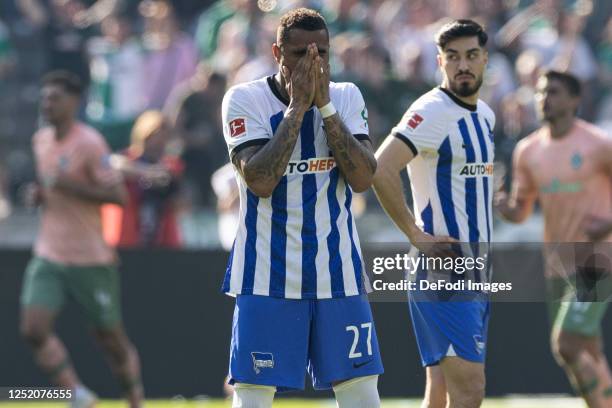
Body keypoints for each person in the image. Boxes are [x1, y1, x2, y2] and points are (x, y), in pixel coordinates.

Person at [221, 8, 382, 407]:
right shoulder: (244, 99)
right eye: (298, 54)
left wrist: (325, 109)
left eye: (322, 53)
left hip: (339, 273)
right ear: (277, 53)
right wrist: (296, 109)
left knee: (362, 394)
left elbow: (363, 179)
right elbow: (259, 180)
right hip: (267, 275)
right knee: (253, 397)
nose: (313, 63)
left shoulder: (346, 97)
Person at [373, 20, 495, 408]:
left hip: (477, 270)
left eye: (471, 55)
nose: (463, 65)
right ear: (440, 61)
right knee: (470, 390)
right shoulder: (430, 110)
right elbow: (381, 168)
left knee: (439, 393)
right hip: (444, 273)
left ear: (485, 59)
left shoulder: (487, 116)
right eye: (453, 57)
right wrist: (416, 235)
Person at [19, 71, 143, 408]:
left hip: (90, 257)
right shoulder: (41, 140)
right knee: (33, 328)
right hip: (49, 252)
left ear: (74, 102)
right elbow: (51, 186)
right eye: (45, 98)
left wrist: (69, 186)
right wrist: (40, 195)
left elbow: (118, 196)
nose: (48, 104)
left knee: (111, 340)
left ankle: (135, 401)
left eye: (55, 98)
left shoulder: (89, 143)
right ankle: (77, 394)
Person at [495, 70, 612, 408]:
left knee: (566, 344)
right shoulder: (527, 150)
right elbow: (521, 210)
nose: (545, 98)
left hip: (597, 261)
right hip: (558, 266)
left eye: (555, 92)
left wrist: (607, 222)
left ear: (575, 100)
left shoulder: (598, 144)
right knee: (587, 349)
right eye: (541, 92)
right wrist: (505, 207)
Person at [102, 110, 183, 248]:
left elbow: (176, 191)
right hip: (127, 236)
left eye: (164, 138)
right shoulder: (127, 158)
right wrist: (146, 172)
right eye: (155, 137)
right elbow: (113, 163)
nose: (159, 143)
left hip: (160, 236)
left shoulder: (170, 165)